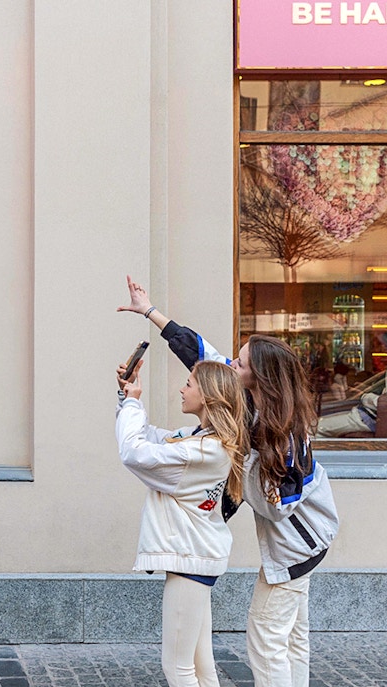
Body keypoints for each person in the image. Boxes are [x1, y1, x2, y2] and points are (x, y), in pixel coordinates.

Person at [119, 276, 339, 687]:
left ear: (261, 379)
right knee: (293, 637)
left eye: (239, 364)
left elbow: (278, 505)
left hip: (299, 545)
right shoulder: (261, 407)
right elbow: (200, 351)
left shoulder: (279, 432)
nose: (229, 366)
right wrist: (149, 311)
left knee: (266, 636)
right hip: (311, 537)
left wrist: (237, 466)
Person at [116, 356, 251, 687]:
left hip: (192, 561)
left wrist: (132, 404)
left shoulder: (200, 451)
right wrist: (128, 398)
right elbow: (150, 437)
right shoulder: (202, 440)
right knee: (201, 668)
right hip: (196, 559)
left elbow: (134, 452)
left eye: (188, 383)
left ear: (206, 395)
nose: (181, 388)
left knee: (178, 668)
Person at [314, 325, 387, 437]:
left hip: (368, 420)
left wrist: (364, 396)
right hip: (373, 419)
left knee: (315, 428)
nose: (386, 350)